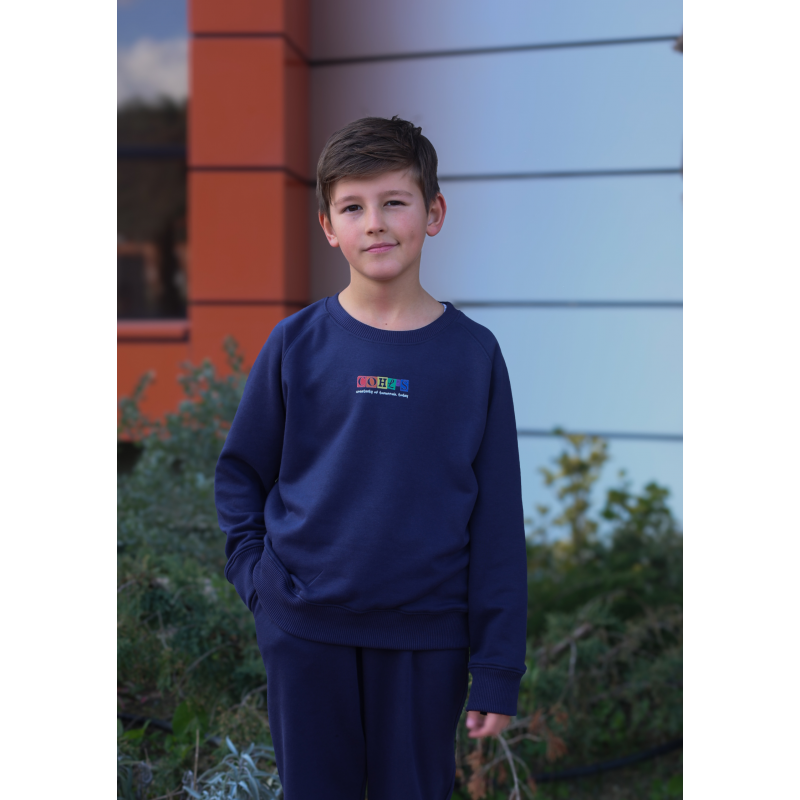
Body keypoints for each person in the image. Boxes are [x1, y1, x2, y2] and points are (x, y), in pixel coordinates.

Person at [215, 116, 528, 799]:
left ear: (433, 213)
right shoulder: (296, 343)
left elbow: (499, 522)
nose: (375, 223)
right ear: (328, 226)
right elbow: (241, 474)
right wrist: (259, 584)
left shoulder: (473, 355)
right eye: (353, 207)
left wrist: (497, 667)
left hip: (427, 643)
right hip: (305, 631)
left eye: (394, 202)